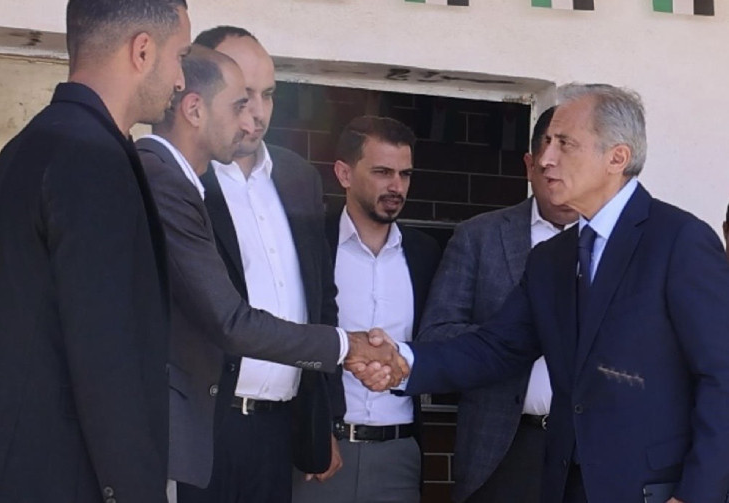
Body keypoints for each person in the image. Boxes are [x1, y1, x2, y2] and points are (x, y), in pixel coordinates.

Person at [391, 84, 729, 503]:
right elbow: (497, 347)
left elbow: (722, 375)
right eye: (547, 142)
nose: (545, 158)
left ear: (617, 158)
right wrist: (403, 362)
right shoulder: (552, 258)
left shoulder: (679, 241)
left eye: (564, 143)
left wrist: (697, 495)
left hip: (650, 491)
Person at [0, 0, 188, 503]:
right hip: (55, 478)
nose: (180, 79)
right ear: (142, 50)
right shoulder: (89, 158)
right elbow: (107, 357)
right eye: (180, 57)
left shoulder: (32, 144)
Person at [137, 47, 400, 493]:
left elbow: (319, 299)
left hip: (278, 426)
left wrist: (324, 417)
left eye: (269, 95)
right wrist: (347, 347)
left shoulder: (297, 177)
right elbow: (228, 320)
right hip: (202, 423)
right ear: (196, 104)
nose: (255, 115)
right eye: (242, 100)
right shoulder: (172, 177)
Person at [416, 107, 578, 503]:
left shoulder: (612, 244)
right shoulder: (479, 237)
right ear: (530, 166)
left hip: (588, 450)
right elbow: (435, 337)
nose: (562, 177)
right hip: (504, 448)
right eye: (550, 166)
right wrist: (513, 338)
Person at [294, 116, 441, 503]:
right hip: (321, 452)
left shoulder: (425, 254)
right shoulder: (310, 243)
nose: (397, 186)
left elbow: (438, 343)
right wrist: (312, 432)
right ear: (344, 173)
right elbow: (290, 336)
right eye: (382, 172)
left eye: (405, 174)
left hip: (399, 453)